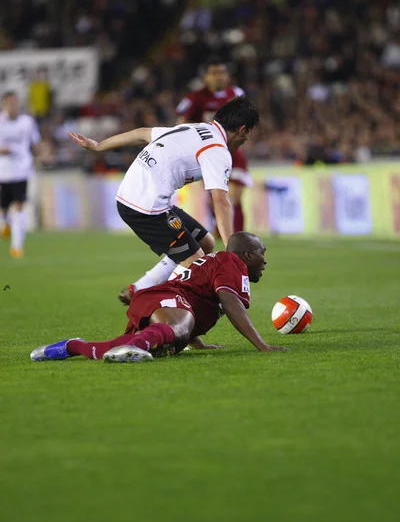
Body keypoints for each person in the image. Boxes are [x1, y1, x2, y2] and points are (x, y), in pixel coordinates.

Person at [68, 97, 259, 296]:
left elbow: (140, 134)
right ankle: (154, 304)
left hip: (132, 196)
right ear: (242, 130)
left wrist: (98, 146)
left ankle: (140, 288)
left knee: (206, 242)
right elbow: (220, 201)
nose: (247, 139)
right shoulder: (218, 151)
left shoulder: (193, 128)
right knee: (195, 263)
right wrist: (231, 250)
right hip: (147, 207)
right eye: (249, 134)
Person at [30, 232, 288, 363]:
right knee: (176, 328)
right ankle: (136, 347)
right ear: (247, 255)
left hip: (161, 300)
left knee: (122, 347)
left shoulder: (220, 263)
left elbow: (197, 297)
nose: (266, 260)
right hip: (168, 296)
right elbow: (229, 302)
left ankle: (73, 347)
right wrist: (262, 346)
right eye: (262, 252)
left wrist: (194, 341)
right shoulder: (231, 261)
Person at [176, 57, 252, 232]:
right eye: (214, 73)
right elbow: (181, 123)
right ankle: (222, 230)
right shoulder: (195, 98)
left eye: (222, 72)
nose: (219, 77)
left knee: (235, 195)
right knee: (216, 197)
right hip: (209, 154)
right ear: (206, 77)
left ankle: (239, 236)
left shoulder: (236, 94)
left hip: (234, 152)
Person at [0, 91, 41, 258]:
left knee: (19, 207)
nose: (13, 106)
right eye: (9, 103)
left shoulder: (27, 122)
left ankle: (17, 246)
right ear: (4, 104)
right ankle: (5, 223)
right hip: (2, 172)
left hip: (22, 171)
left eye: (15, 103)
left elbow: (36, 142)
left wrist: (42, 155)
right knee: (3, 209)